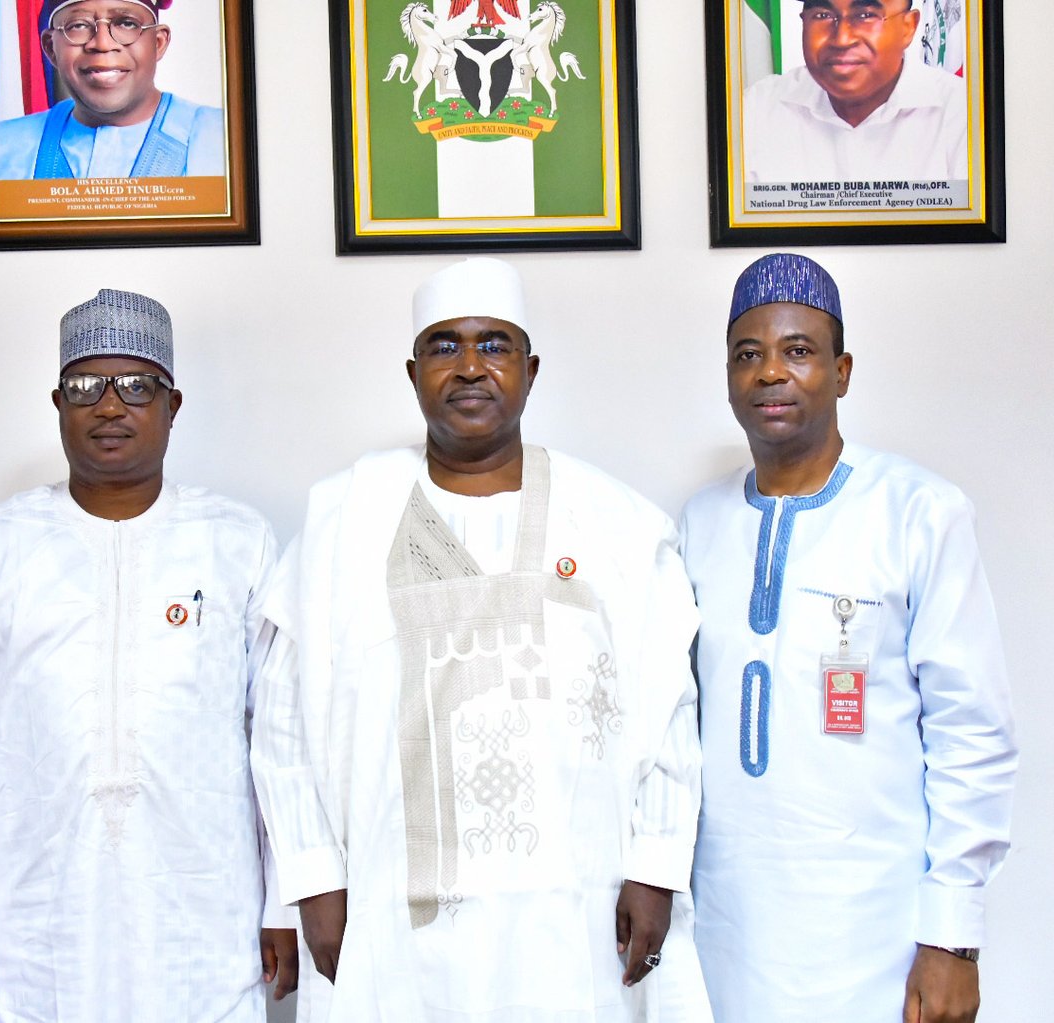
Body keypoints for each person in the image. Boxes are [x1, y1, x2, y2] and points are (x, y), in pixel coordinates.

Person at [250, 256, 712, 1022]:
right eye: (445, 346)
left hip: (576, 905)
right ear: (413, 373)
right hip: (392, 907)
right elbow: (281, 714)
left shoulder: (617, 524)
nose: (470, 365)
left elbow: (670, 700)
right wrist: (313, 875)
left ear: (530, 370)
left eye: (494, 344)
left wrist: (657, 864)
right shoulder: (346, 518)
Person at [0, 289, 295, 1023]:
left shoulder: (237, 542)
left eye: (137, 385)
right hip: (36, 933)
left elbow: (279, 737)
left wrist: (286, 901)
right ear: (58, 404)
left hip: (204, 924)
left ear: (172, 406)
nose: (110, 405)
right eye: (86, 386)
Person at [678, 253, 1017, 1023]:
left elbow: (973, 732)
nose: (771, 371)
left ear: (842, 371)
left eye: (797, 350)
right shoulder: (699, 523)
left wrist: (953, 938)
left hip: (877, 931)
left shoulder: (919, 512)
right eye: (748, 354)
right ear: (728, 378)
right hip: (727, 927)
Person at [0, 1, 225, 180]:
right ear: (51, 48)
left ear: (158, 43)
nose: (102, 44)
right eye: (78, 25)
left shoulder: (225, 140)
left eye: (126, 23)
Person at [744, 0, 969, 182]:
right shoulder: (757, 109)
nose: (842, 39)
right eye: (822, 15)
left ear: (908, 27)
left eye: (865, 15)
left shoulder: (966, 112)